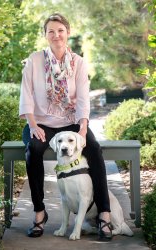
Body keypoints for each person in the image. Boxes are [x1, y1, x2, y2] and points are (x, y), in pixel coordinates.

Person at [19, 13, 112, 240]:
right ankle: (40, 212)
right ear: (45, 35)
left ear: (67, 33)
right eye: (51, 31)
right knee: (34, 149)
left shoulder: (78, 63)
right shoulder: (34, 60)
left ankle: (104, 215)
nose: (56, 35)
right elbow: (26, 95)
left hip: (71, 122)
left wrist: (82, 126)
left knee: (94, 149)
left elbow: (82, 98)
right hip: (41, 122)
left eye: (60, 30)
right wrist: (32, 124)